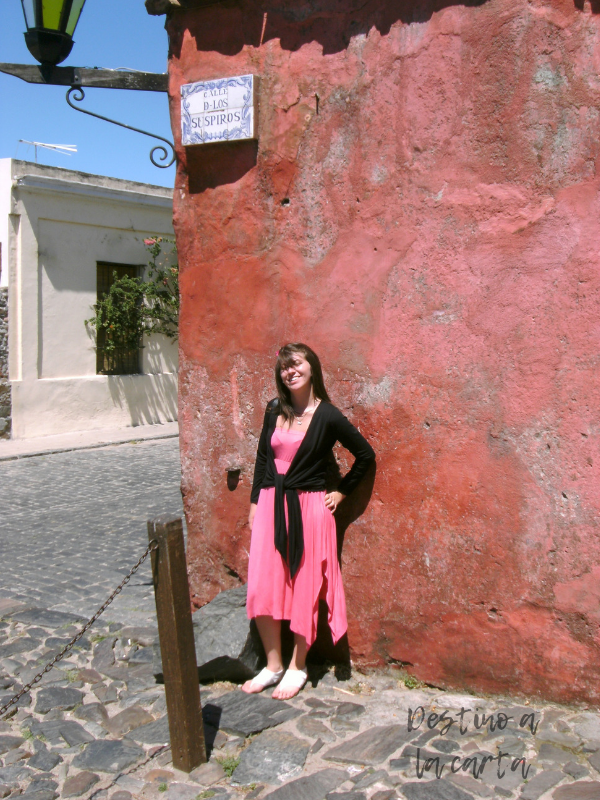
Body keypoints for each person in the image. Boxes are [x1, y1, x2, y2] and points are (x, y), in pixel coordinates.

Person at [243, 342, 375, 700]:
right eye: (284, 367)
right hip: (273, 503)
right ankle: (272, 665)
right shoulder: (274, 410)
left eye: (296, 364)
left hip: (312, 508)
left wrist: (342, 492)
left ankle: (297, 666)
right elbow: (261, 458)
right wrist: (256, 502)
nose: (290, 371)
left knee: (304, 587)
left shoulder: (328, 415)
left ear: (312, 367)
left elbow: (365, 455)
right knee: (262, 585)